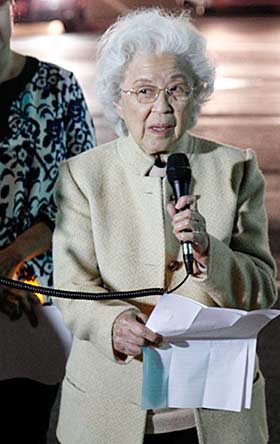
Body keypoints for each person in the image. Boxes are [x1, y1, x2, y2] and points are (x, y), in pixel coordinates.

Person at [52, 8, 277, 444]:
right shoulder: (83, 175)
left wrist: (212, 252)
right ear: (117, 99)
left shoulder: (236, 168)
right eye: (144, 91)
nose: (161, 107)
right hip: (108, 413)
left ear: (198, 95)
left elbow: (262, 289)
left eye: (176, 89)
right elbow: (71, 287)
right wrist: (111, 324)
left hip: (216, 414)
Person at [0, 1, 96, 443]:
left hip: (37, 304)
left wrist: (13, 259)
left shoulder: (59, 88)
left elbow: (85, 198)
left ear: (12, 7)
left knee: (25, 424)